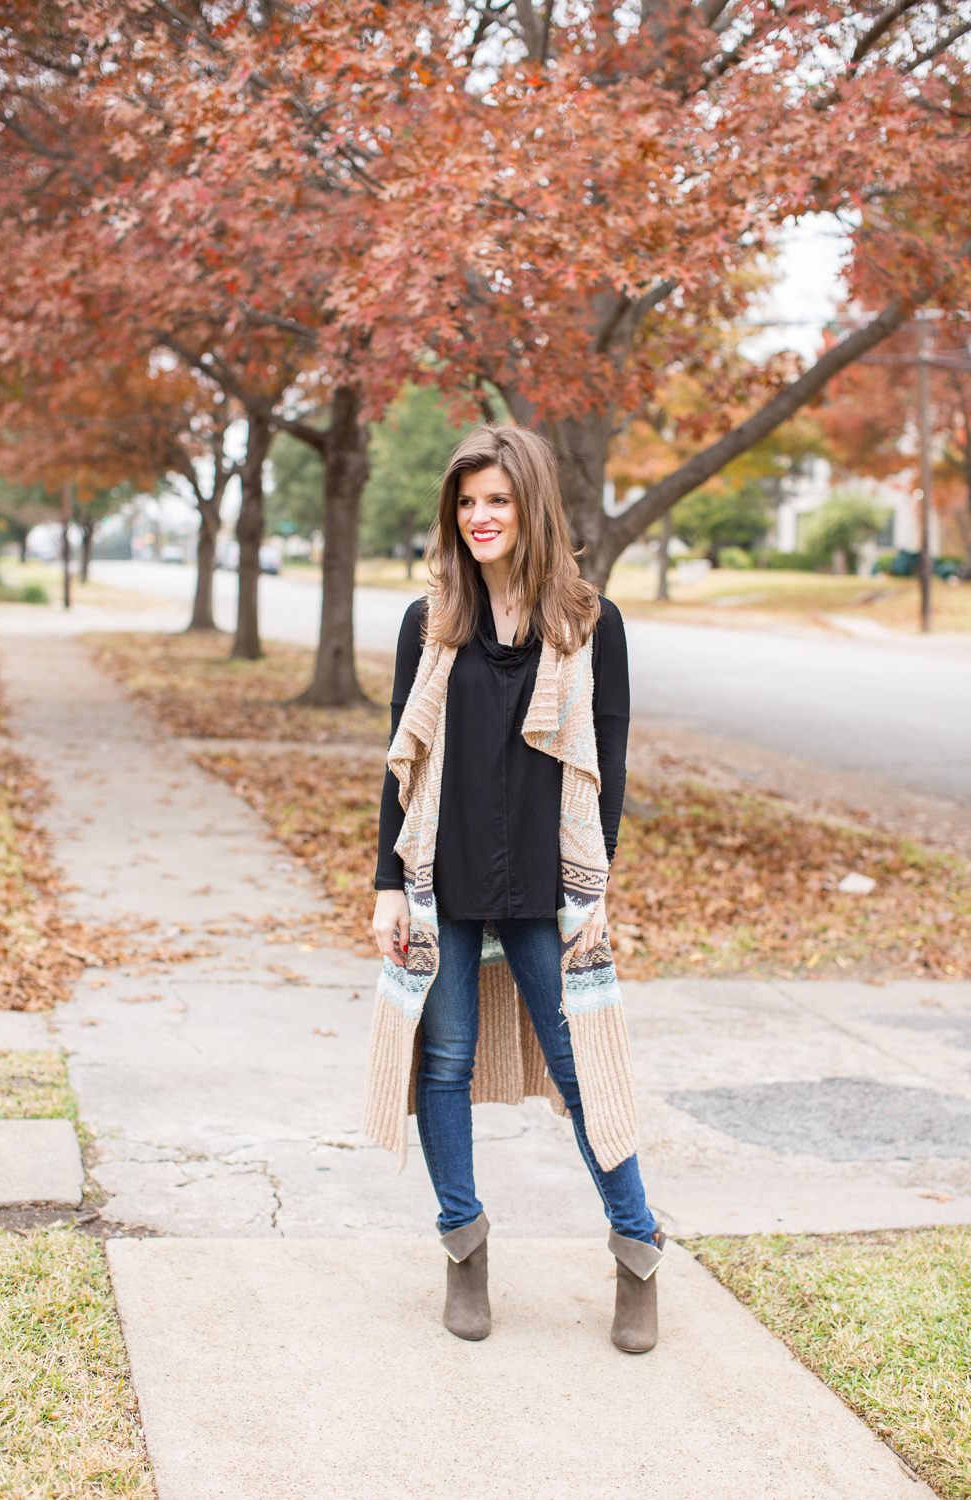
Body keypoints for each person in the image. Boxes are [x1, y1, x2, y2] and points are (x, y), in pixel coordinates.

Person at [362, 425, 663, 1352]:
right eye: (466, 502)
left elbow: (603, 771)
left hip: (547, 882)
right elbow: (401, 767)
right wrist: (384, 883)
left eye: (497, 499)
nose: (481, 517)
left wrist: (590, 893)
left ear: (531, 504)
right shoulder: (432, 622)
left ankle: (639, 1252)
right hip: (441, 878)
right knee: (445, 1063)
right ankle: (463, 1247)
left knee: (583, 1072)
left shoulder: (591, 624)